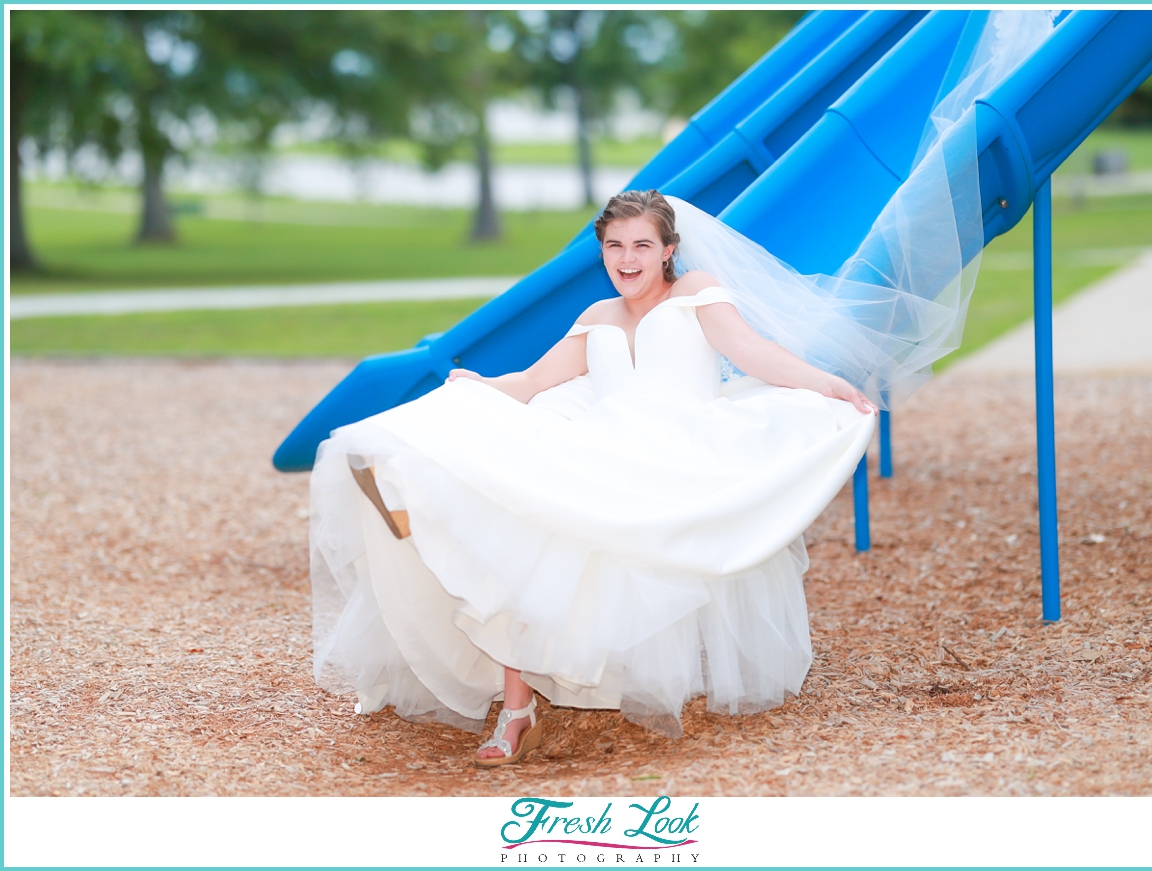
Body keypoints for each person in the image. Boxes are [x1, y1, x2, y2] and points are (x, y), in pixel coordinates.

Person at [308, 190, 876, 767]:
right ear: (602, 252)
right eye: (614, 246)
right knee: (522, 517)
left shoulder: (695, 293)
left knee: (554, 529)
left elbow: (751, 352)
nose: (627, 259)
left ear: (668, 250)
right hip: (602, 447)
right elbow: (531, 383)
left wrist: (824, 384)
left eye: (642, 246)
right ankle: (506, 689)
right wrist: (474, 385)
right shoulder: (596, 317)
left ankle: (508, 657)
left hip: (675, 455)